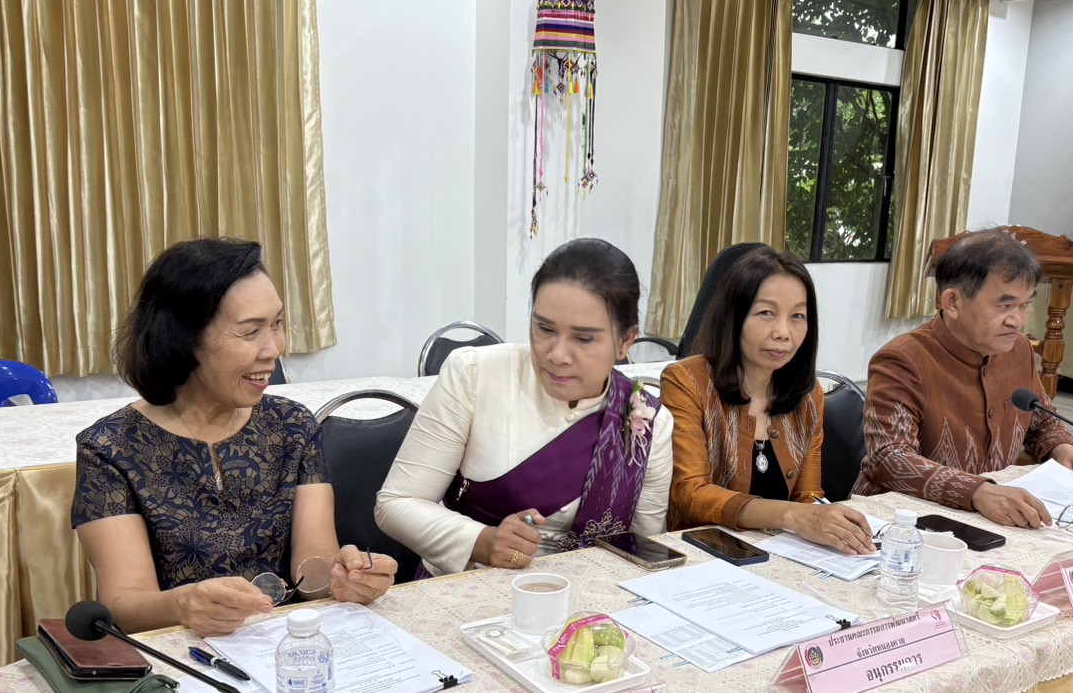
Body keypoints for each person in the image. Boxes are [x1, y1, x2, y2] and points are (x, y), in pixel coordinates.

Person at [72, 238, 395, 637]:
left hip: (284, 644)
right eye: (250, 332)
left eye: (276, 324)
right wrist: (182, 603)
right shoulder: (110, 448)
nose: (273, 349)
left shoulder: (292, 426)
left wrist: (346, 579)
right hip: (185, 655)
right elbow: (124, 604)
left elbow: (313, 566)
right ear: (184, 339)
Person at [376, 238, 673, 577]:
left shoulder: (648, 422)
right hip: (468, 583)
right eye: (544, 328)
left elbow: (645, 546)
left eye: (584, 338)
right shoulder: (476, 375)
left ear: (626, 340)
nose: (557, 355)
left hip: (585, 600)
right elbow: (396, 503)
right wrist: (483, 541)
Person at [854, 229, 1073, 528]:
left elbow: (1041, 421)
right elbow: (890, 459)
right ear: (952, 303)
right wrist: (977, 492)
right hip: (900, 525)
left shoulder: (1018, 349)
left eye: (1024, 305)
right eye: (1004, 305)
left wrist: (1064, 450)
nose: (1018, 320)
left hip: (991, 518)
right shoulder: (902, 360)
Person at [662, 246, 873, 554]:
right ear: (734, 316)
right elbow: (691, 494)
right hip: (701, 558)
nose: (784, 332)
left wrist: (826, 520)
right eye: (766, 313)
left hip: (779, 560)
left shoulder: (808, 395)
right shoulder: (687, 381)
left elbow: (808, 496)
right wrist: (791, 515)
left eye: (798, 316)